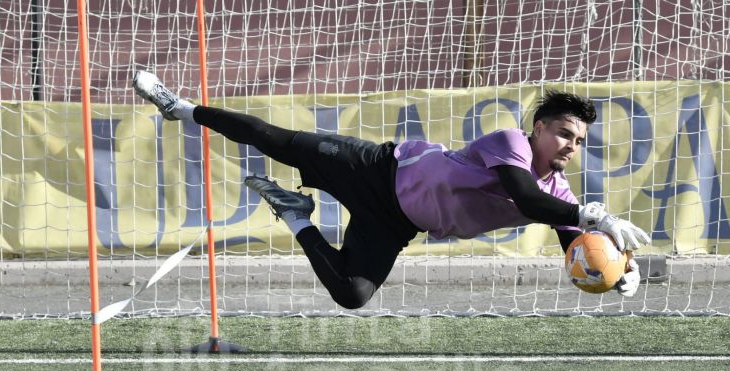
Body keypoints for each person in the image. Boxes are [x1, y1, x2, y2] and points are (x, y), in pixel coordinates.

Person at [133, 71, 651, 309]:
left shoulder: (559, 189)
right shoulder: (511, 141)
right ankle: (180, 106)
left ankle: (295, 214)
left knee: (352, 294)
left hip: (399, 221)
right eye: (563, 132)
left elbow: (573, 242)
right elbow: (525, 197)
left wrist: (619, 272)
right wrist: (591, 215)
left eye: (579, 140)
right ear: (538, 127)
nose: (569, 145)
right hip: (381, 170)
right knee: (278, 141)